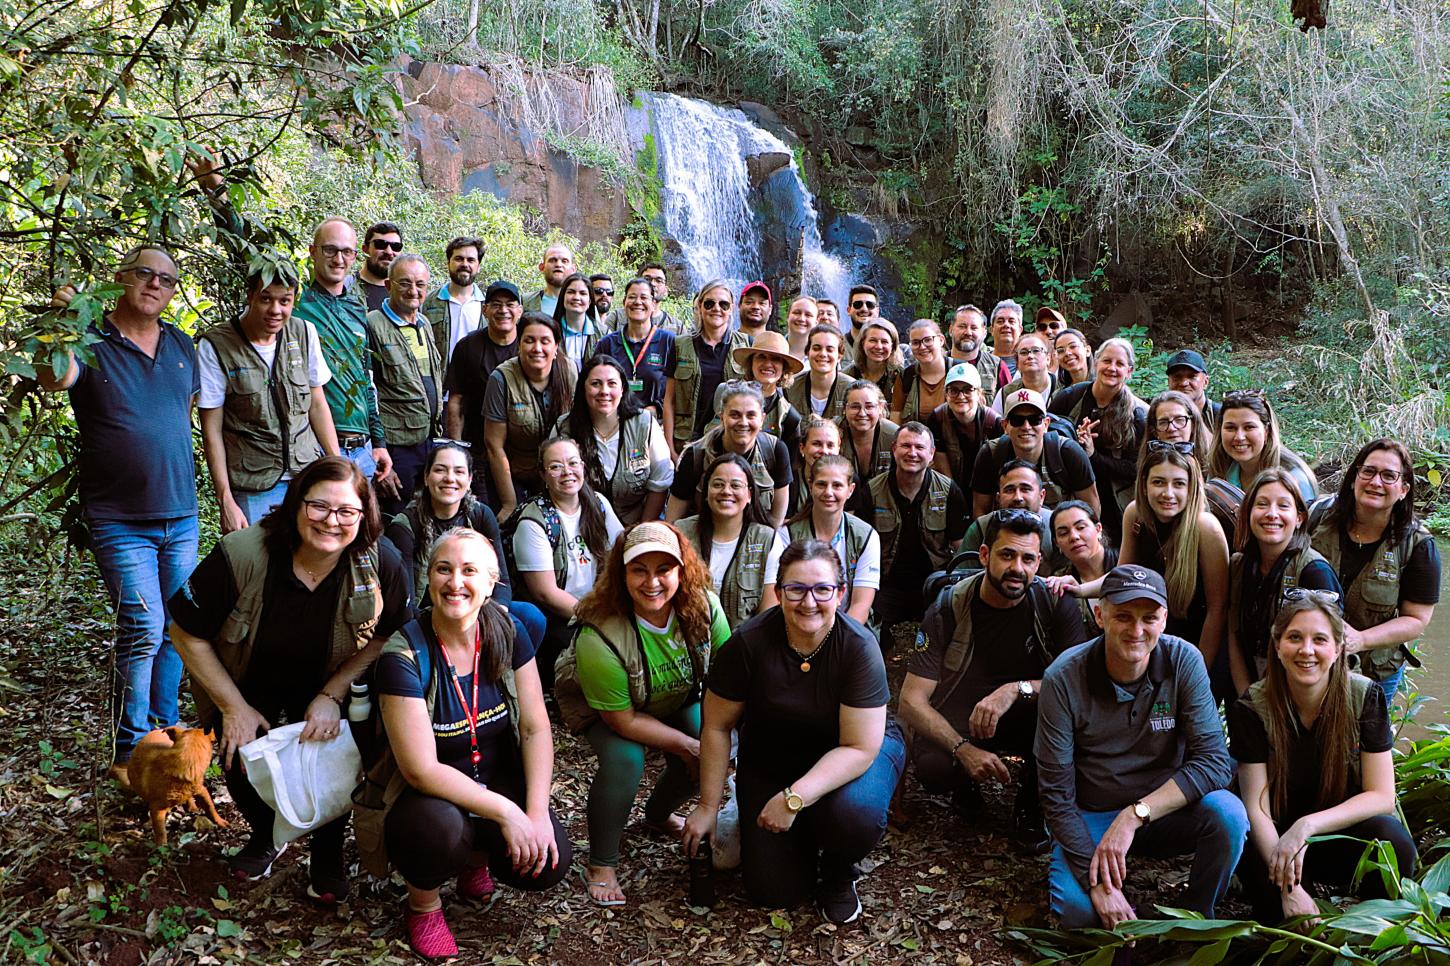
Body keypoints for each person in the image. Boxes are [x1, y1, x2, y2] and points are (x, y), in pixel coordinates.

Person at [169, 457, 410, 897]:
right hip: (245, 674)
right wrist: (232, 707)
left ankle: (327, 850)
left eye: (346, 512)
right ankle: (266, 834)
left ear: (363, 515)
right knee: (237, 753)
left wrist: (332, 695)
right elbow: (184, 631)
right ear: (296, 503)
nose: (331, 522)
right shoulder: (242, 553)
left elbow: (390, 634)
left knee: (335, 755)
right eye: (319, 506)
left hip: (328, 676)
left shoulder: (379, 561)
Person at [38, 246, 201, 786]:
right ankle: (130, 750)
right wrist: (61, 322)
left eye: (167, 279)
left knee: (179, 627)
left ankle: (166, 731)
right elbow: (52, 378)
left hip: (180, 513)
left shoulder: (181, 345)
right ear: (120, 279)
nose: (156, 284)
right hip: (119, 517)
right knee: (142, 624)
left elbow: (189, 414)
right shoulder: (90, 340)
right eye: (144, 274)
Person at [684, 539, 905, 924]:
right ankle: (756, 818)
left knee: (855, 815)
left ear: (840, 593)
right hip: (773, 761)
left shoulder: (858, 648)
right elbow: (717, 726)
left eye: (822, 589)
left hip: (852, 758)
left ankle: (838, 874)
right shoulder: (748, 644)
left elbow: (858, 747)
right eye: (796, 589)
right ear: (778, 591)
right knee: (773, 892)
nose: (809, 602)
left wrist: (794, 798)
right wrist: (707, 806)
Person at [375, 530, 571, 958]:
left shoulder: (508, 629)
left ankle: (475, 861)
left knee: (551, 860)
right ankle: (423, 904)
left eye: (469, 571)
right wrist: (507, 813)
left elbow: (537, 726)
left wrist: (534, 814)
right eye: (443, 569)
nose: (455, 582)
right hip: (427, 797)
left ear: (490, 582)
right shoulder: (404, 654)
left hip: (493, 772)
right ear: (427, 578)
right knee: (441, 831)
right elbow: (419, 769)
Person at [1035, 565, 1247, 929]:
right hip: (1094, 813)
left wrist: (1135, 815)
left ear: (1164, 619)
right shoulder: (1064, 677)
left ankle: (1196, 915)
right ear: (1100, 615)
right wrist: (1096, 881)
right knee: (1079, 913)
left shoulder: (1184, 660)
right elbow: (1055, 794)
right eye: (1123, 616)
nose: (1136, 631)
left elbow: (1214, 761)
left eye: (1149, 618)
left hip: (1165, 808)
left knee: (1228, 814)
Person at [553, 522, 731, 906]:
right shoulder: (598, 634)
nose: (652, 582)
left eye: (663, 569)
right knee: (625, 758)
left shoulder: (703, 607)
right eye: (639, 570)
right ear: (622, 574)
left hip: (676, 695)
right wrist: (685, 743)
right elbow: (622, 721)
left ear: (681, 572)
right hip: (609, 710)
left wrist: (704, 743)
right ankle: (601, 862)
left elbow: (729, 674)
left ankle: (657, 813)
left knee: (711, 748)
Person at [190, 158, 393, 486]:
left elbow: (365, 375)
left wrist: (379, 441)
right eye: (330, 250)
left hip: (361, 448)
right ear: (313, 252)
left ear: (357, 256)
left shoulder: (359, 307)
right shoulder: (292, 304)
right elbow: (249, 255)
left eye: (347, 252)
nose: (338, 259)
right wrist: (215, 190)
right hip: (310, 445)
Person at [901, 510, 1088, 849]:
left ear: (1039, 562)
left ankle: (1033, 802)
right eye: (1007, 555)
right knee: (933, 767)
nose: (1018, 567)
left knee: (1061, 714)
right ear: (985, 555)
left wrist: (1016, 689)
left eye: (1028, 558)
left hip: (1030, 713)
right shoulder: (950, 606)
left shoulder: (1054, 603)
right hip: (963, 715)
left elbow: (1075, 683)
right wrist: (964, 750)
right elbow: (911, 701)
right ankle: (965, 783)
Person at [1228, 596, 1417, 924]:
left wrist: (1307, 827)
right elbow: (1257, 809)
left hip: (1335, 833)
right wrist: (1289, 885)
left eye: (1319, 640)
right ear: (1277, 644)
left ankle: (1368, 928)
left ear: (1339, 648)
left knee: (1392, 840)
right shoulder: (1252, 707)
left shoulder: (1365, 696)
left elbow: (1382, 797)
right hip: (1274, 841)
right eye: (1294, 637)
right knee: (1246, 843)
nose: (1306, 650)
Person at [199, 264, 339, 531]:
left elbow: (317, 404)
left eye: (284, 301)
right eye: (266, 299)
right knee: (260, 564)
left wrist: (337, 467)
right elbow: (211, 429)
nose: (276, 310)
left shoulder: (303, 332)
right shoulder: (217, 345)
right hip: (252, 484)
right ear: (250, 296)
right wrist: (225, 500)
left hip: (305, 476)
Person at [383, 440, 547, 654]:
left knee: (531, 618)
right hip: (431, 613)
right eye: (440, 470)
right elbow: (406, 606)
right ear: (426, 477)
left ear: (469, 480)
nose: (450, 478)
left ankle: (503, 679)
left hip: (476, 604)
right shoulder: (406, 526)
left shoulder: (480, 515)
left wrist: (493, 617)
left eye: (459, 472)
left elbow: (501, 581)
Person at [1309, 439, 1440, 703]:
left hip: (1374, 670)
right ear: (1354, 476)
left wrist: (1360, 639)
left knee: (1363, 742)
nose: (1375, 482)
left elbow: (1416, 620)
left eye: (1388, 476)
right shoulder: (1318, 516)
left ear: (1403, 489)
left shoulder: (1419, 546)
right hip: (1308, 656)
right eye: (1368, 471)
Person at [510, 437, 625, 685]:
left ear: (583, 466)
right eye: (555, 466)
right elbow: (546, 594)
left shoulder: (598, 504)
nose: (567, 472)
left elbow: (622, 551)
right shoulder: (534, 521)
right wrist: (597, 617)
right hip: (560, 616)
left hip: (600, 603)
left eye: (573, 463)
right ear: (543, 474)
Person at [1226, 468, 1342, 691]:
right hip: (1248, 687)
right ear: (1248, 513)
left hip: (1299, 694)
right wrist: (1247, 698)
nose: (1272, 514)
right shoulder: (1240, 565)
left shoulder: (1314, 571)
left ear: (1299, 518)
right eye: (1261, 504)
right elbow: (1234, 634)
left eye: (1283, 505)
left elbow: (1329, 649)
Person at [867, 423, 969, 639]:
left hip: (934, 583)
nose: (912, 453)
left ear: (931, 454)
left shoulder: (949, 491)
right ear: (894, 449)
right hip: (887, 585)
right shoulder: (872, 491)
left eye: (920, 447)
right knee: (869, 633)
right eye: (906, 446)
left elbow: (960, 547)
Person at [367, 254, 445, 516]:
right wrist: (378, 451)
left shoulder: (423, 322)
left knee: (425, 515)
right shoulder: (373, 325)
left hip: (427, 439)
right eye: (405, 283)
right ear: (388, 285)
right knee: (396, 517)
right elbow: (368, 391)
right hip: (396, 446)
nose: (414, 291)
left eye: (420, 284)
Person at [1049, 337, 1147, 543]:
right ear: (1096, 362)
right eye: (1107, 361)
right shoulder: (1069, 398)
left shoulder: (1138, 415)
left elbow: (1134, 470)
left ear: (1129, 372)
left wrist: (1092, 455)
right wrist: (1071, 443)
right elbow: (1046, 439)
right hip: (1068, 492)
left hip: (1115, 502)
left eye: (1120, 364)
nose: (1112, 368)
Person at [555, 355, 673, 526]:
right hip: (583, 526)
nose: (604, 391)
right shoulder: (564, 427)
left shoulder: (645, 424)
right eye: (595, 383)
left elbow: (660, 481)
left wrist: (640, 531)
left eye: (612, 383)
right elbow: (555, 483)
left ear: (623, 389)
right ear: (583, 388)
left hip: (636, 524)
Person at [677, 454, 787, 629]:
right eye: (718, 484)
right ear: (706, 492)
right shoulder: (681, 533)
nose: (726, 491)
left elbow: (767, 616)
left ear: (749, 494)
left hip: (744, 646)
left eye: (735, 485)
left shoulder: (767, 540)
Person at [483, 314, 576, 520]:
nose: (537, 348)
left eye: (545, 341)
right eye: (529, 340)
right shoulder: (501, 379)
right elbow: (494, 445)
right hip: (514, 472)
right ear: (519, 344)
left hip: (559, 472)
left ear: (555, 347)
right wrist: (509, 503)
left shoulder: (569, 371)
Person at [668, 381, 794, 527]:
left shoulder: (775, 451)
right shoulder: (696, 455)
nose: (743, 422)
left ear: (762, 419)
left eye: (751, 415)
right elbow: (673, 520)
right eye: (735, 415)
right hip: (702, 537)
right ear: (722, 417)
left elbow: (776, 520)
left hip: (755, 542)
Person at [774, 455, 881, 626]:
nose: (828, 492)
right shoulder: (787, 535)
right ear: (811, 486)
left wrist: (834, 640)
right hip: (799, 623)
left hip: (849, 629)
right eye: (821, 484)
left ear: (850, 490)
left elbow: (861, 605)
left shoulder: (866, 536)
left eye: (837, 485)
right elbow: (779, 597)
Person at [971, 388, 1097, 518]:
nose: (1026, 427)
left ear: (1046, 424)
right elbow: (981, 511)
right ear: (1005, 426)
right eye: (1017, 420)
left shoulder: (1068, 452)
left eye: (1035, 419)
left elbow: (1092, 509)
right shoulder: (991, 454)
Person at [662, 279, 751, 457]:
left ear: (732, 308)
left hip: (729, 441)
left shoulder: (746, 344)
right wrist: (669, 448)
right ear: (700, 307)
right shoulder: (680, 345)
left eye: (723, 304)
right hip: (686, 440)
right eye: (709, 303)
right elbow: (669, 400)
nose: (716, 309)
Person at [443, 281, 522, 463]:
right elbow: (456, 401)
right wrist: (457, 449)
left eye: (510, 305)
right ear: (484, 310)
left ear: (520, 311)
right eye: (496, 304)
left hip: (521, 448)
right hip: (478, 445)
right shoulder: (468, 346)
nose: (503, 310)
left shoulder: (530, 345)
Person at [1209, 390, 1317, 504]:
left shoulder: (1294, 477)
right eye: (1230, 428)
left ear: (1266, 431)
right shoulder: (1220, 469)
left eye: (1249, 427)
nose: (1239, 437)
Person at [596, 278, 678, 417]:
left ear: (653, 304)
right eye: (632, 297)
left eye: (644, 297)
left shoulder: (669, 341)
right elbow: (595, 381)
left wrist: (656, 410)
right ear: (624, 302)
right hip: (615, 420)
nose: (637, 302)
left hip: (656, 423)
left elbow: (678, 389)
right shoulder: (607, 344)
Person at [927, 363, 1003, 497]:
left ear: (979, 393)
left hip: (988, 490)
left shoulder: (994, 423)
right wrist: (955, 498)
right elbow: (942, 468)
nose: (961, 396)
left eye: (968, 390)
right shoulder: (937, 418)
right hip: (952, 487)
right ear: (946, 394)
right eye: (954, 390)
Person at [961, 461, 1056, 565]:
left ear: (1041, 496)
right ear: (998, 498)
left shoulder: (1057, 525)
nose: (1018, 498)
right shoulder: (982, 528)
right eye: (1010, 490)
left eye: (1025, 489)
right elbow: (963, 575)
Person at [723, 331, 803, 455]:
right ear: (751, 362)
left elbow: (789, 468)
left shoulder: (790, 417)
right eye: (761, 356)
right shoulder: (724, 394)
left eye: (776, 359)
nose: (767, 364)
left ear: (784, 368)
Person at [1051, 500, 1117, 634]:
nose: (1074, 537)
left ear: (1098, 529)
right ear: (1057, 544)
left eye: (1081, 527)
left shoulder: (1125, 563)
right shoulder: (1059, 582)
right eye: (1063, 533)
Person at [424, 236, 486, 365]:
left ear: (478, 266)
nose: (465, 264)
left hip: (477, 383)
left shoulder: (487, 306)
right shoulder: (428, 303)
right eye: (459, 259)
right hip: (440, 382)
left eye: (471, 260)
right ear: (448, 263)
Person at [838, 382, 898, 514]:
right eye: (855, 407)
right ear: (844, 409)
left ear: (881, 408)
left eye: (869, 406)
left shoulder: (895, 435)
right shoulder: (831, 433)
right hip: (840, 506)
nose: (862, 413)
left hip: (885, 508)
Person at [786, 324, 852, 420]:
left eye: (830, 349)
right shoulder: (790, 388)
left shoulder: (852, 390)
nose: (823, 354)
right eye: (817, 348)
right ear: (807, 352)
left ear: (839, 356)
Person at [891, 319, 950, 424]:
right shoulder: (906, 377)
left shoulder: (959, 370)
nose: (922, 347)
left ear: (941, 340)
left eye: (928, 340)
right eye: (915, 343)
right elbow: (896, 418)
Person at [1141, 390, 1212, 470]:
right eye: (1163, 422)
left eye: (1179, 420)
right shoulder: (1148, 468)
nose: (1171, 428)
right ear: (1154, 430)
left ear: (1193, 424)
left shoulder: (1213, 463)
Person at [950, 305, 1011, 399]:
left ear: (984, 333)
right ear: (951, 330)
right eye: (962, 326)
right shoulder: (937, 364)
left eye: (974, 328)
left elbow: (1008, 404)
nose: (968, 332)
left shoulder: (997, 367)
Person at [990, 331, 1059, 414]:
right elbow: (996, 425)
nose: (1030, 356)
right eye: (1024, 352)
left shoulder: (1062, 389)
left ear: (1048, 358)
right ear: (1017, 362)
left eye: (1036, 350)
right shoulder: (1006, 393)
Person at [601, 263, 682, 333]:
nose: (653, 283)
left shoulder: (677, 326)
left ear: (666, 291)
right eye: (647, 279)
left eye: (659, 280)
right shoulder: (617, 317)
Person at [551, 272, 605, 371]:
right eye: (571, 292)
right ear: (563, 297)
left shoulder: (603, 334)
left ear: (589, 302)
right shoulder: (550, 331)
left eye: (583, 293)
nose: (576, 297)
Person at [791, 414, 842, 515]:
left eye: (830, 445)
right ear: (802, 448)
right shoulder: (790, 482)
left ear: (838, 449)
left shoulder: (848, 480)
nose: (824, 451)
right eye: (816, 444)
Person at [844, 318, 904, 403]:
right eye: (873, 340)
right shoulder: (847, 375)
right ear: (862, 343)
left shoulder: (901, 376)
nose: (879, 346)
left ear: (893, 346)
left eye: (884, 342)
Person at [353, 222, 403, 312]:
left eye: (396, 246)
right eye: (380, 244)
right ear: (365, 249)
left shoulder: (406, 292)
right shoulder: (347, 289)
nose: (389, 252)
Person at [1165, 349, 1220, 431]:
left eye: (1191, 377)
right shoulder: (1160, 417)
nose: (1183, 383)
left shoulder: (1221, 416)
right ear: (1169, 382)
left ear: (1205, 382)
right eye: (1177, 377)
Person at [521, 243, 575, 316]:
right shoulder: (526, 301)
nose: (558, 265)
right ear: (542, 267)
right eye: (552, 260)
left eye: (564, 261)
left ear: (573, 269)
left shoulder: (583, 302)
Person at [989, 300, 1023, 376]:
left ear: (1020, 330)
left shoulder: (1027, 361)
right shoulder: (981, 362)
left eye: (1011, 321)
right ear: (991, 330)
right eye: (1000, 321)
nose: (1006, 325)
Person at [844, 284, 881, 351]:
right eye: (858, 304)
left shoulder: (886, 349)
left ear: (877, 311)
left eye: (870, 305)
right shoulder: (837, 346)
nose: (864, 309)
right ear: (849, 310)